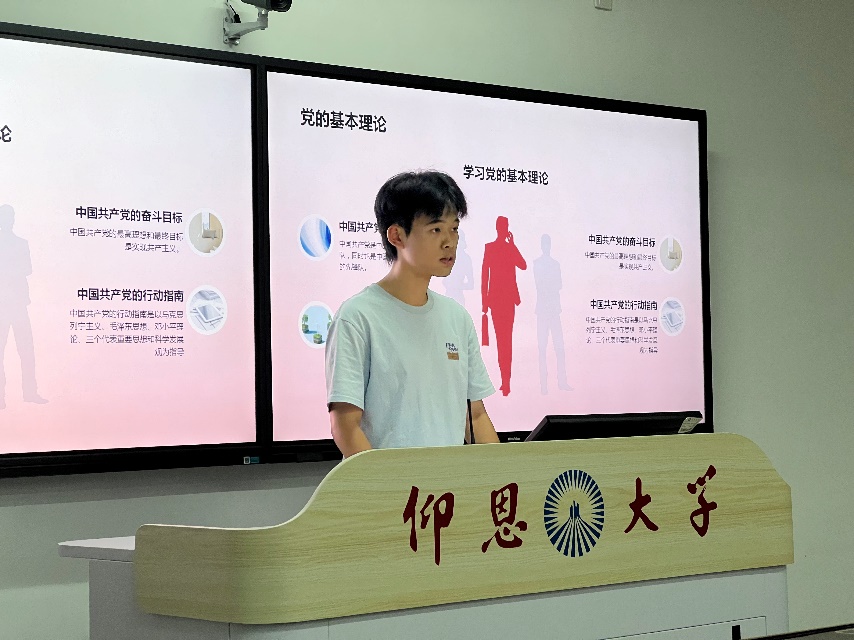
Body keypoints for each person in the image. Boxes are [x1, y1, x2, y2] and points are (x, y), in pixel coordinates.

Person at [325, 171, 500, 457]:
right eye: (436, 230)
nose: (449, 242)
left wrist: (504, 476)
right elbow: (345, 425)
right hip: (390, 485)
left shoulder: (457, 318)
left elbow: (475, 417)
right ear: (396, 235)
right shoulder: (357, 317)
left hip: (450, 484)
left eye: (454, 229)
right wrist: (391, 484)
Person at [481, 216, 526, 396]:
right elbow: (485, 276)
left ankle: (505, 381)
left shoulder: (505, 248)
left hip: (503, 300)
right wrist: (484, 302)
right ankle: (505, 381)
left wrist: (513, 245)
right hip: (499, 300)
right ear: (502, 228)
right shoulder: (491, 248)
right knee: (505, 341)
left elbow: (523, 265)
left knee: (504, 341)